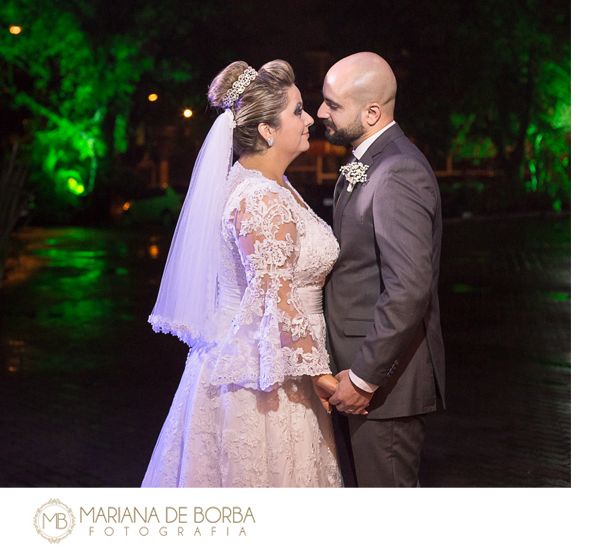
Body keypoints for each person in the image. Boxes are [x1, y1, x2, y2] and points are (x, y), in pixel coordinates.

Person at [142, 60, 344, 487]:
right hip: (264, 381)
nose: (309, 119)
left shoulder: (267, 183)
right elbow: (276, 298)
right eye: (297, 111)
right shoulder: (260, 198)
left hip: (279, 365)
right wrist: (324, 378)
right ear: (268, 131)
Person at [318, 52, 445, 487]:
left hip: (382, 388)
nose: (320, 113)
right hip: (357, 380)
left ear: (371, 112)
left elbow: (409, 289)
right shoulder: (370, 163)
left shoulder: (398, 170)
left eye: (332, 104)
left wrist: (364, 377)